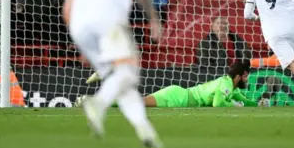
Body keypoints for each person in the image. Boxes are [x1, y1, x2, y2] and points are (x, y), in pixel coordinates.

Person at [62, 0, 162, 148]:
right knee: (128, 73)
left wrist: (82, 43)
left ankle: (145, 131)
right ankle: (98, 103)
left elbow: (67, 7)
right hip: (107, 21)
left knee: (121, 81)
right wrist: (154, 19)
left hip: (79, 25)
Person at [81, 61, 269, 108]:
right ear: (239, 76)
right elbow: (218, 104)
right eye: (246, 76)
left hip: (181, 95)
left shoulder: (231, 87)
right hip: (178, 98)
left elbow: (244, 101)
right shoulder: (226, 85)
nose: (247, 80)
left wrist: (257, 105)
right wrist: (235, 106)